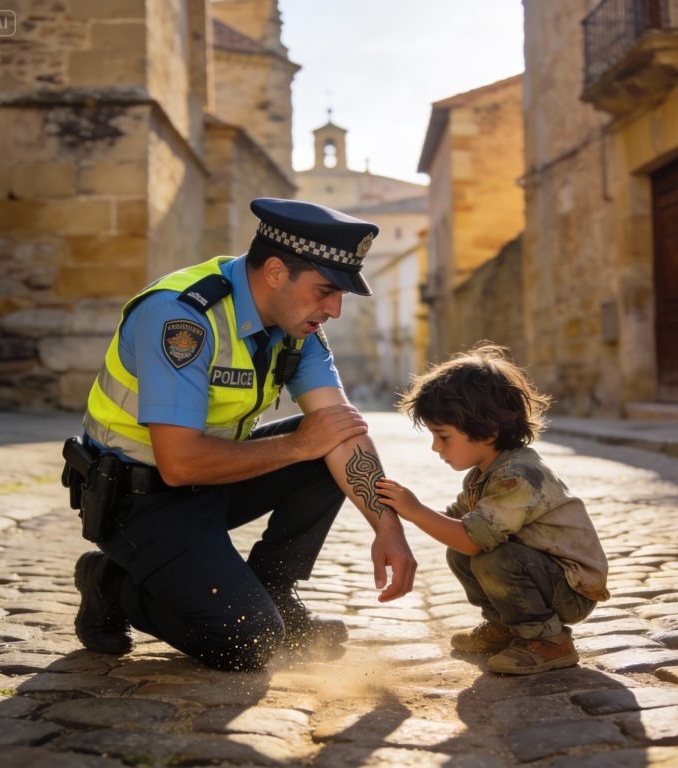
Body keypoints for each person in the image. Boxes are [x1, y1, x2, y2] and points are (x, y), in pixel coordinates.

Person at [64, 197, 417, 672]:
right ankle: (111, 584)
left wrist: (388, 526)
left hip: (211, 481)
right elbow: (180, 463)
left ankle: (274, 590)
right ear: (275, 272)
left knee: (327, 441)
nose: (334, 309)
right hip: (139, 497)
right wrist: (297, 444)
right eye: (325, 291)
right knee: (249, 643)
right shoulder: (181, 316)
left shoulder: (298, 328)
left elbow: (342, 429)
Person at [376, 343, 609, 675]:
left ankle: (549, 640)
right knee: (460, 553)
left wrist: (414, 509)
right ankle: (506, 626)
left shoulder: (517, 477)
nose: (435, 447)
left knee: (491, 557)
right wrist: (396, 515)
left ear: (488, 432)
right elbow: (454, 522)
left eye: (443, 436)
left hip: (572, 589)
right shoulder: (484, 474)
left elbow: (473, 539)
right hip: (543, 575)